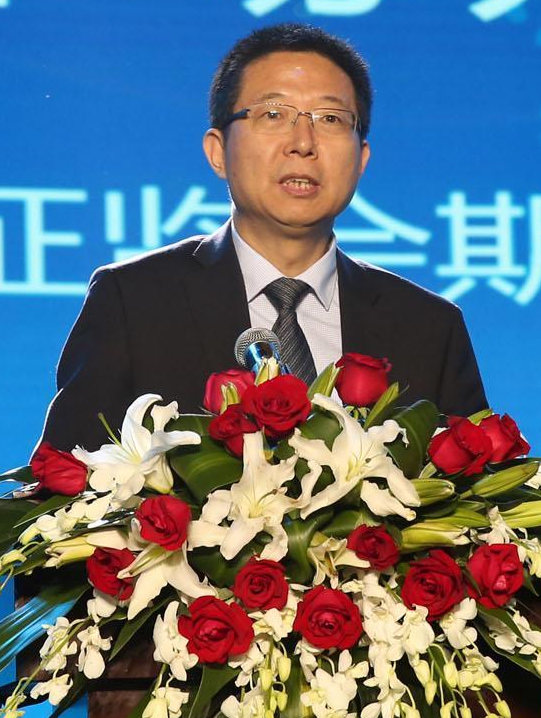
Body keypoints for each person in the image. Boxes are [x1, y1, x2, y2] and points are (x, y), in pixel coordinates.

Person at [37, 23, 488, 451]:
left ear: (361, 158)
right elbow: (65, 479)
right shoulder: (134, 301)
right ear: (218, 151)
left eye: (331, 118)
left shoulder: (429, 328)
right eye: (273, 114)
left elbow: (480, 493)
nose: (303, 142)